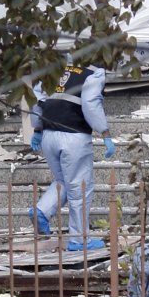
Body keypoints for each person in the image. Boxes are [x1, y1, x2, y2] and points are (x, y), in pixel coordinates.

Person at [28, 61, 116, 251]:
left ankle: (41, 211)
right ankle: (79, 239)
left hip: (48, 135)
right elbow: (91, 104)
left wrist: (37, 129)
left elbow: (36, 100)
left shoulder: (54, 68)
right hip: (74, 136)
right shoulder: (93, 72)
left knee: (63, 181)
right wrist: (105, 133)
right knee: (80, 188)